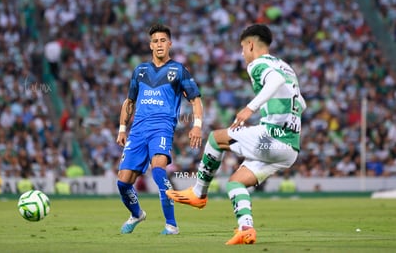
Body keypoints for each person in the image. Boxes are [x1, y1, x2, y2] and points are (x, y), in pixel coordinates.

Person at [166, 24, 306, 245]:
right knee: (235, 184)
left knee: (215, 138)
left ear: (251, 44)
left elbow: (275, 82)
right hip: (290, 148)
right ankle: (246, 229)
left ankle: (199, 193)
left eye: (242, 47)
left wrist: (250, 108)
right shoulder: (285, 66)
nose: (242, 53)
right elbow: (301, 103)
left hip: (273, 137)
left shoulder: (258, 64)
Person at [116, 23, 203, 235]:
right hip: (137, 130)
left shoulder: (179, 70)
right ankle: (137, 214)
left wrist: (197, 126)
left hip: (162, 128)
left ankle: (171, 224)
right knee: (123, 183)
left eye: (163, 40)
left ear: (170, 43)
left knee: (158, 171)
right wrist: (121, 128)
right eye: (155, 41)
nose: (159, 44)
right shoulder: (140, 71)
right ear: (150, 45)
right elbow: (129, 102)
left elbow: (196, 99)